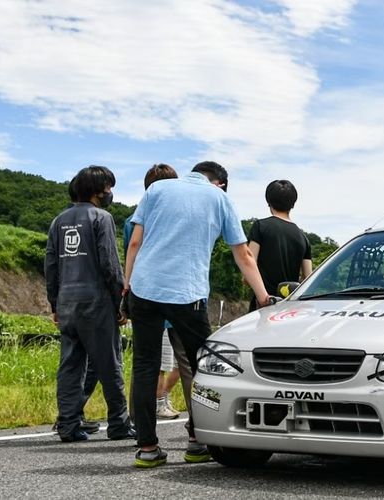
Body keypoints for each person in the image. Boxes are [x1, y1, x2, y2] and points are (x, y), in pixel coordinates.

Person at [123, 161, 271, 468]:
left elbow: (135, 241)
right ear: (220, 183)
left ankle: (148, 448)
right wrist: (263, 297)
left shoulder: (157, 189)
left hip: (144, 289)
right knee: (202, 366)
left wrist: (127, 285)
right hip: (185, 294)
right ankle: (196, 441)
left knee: (145, 366)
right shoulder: (219, 198)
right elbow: (243, 254)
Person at [46, 166, 135, 442]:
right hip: (95, 302)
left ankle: (69, 425)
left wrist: (54, 304)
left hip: (67, 303)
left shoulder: (58, 221)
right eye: (108, 188)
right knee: (110, 364)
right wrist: (121, 301)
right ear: (98, 191)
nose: (110, 193)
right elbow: (109, 263)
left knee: (70, 366)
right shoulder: (102, 217)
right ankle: (119, 423)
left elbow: (51, 266)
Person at [113, 164, 183, 421]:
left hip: (140, 293)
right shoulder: (168, 218)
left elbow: (131, 249)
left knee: (144, 361)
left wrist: (127, 286)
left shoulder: (132, 218)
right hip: (169, 295)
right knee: (165, 361)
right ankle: (158, 405)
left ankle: (140, 416)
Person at [246, 179, 313, 311]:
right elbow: (308, 280)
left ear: (268, 202)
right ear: (293, 204)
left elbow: (248, 267)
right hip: (289, 308)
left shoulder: (260, 227)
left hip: (263, 303)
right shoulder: (303, 237)